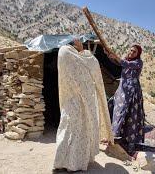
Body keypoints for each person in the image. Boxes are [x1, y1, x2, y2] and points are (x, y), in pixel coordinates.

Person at [53, 39, 113, 172]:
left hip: (70, 103)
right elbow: (93, 64)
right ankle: (76, 163)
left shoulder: (62, 54)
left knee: (68, 130)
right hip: (80, 103)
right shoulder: (75, 57)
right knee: (80, 131)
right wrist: (83, 51)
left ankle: (62, 162)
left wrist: (81, 52)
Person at [107, 45, 145, 157]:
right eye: (131, 50)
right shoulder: (125, 60)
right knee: (115, 110)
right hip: (122, 91)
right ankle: (113, 135)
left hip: (132, 92)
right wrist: (109, 54)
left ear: (138, 54)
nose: (131, 53)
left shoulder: (138, 62)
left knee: (130, 115)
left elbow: (125, 63)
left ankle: (123, 140)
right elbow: (118, 62)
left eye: (134, 52)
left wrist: (116, 57)